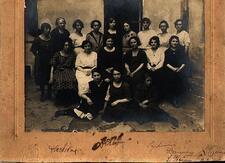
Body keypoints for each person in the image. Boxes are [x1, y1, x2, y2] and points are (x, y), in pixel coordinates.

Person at [49, 39, 79, 106]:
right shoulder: (57, 54)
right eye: (65, 45)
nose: (67, 47)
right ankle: (60, 100)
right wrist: (51, 77)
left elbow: (73, 66)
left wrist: (75, 75)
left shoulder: (72, 55)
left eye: (68, 45)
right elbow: (52, 66)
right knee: (60, 80)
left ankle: (68, 100)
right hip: (59, 71)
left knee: (71, 80)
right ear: (62, 46)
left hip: (69, 70)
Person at [30, 23, 53, 101]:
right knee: (41, 77)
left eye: (49, 28)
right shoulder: (37, 39)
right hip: (41, 61)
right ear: (43, 30)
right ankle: (43, 93)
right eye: (46, 28)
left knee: (49, 76)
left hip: (49, 59)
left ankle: (49, 93)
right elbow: (33, 50)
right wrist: (38, 56)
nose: (48, 30)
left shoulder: (51, 38)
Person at [164, 35, 188, 107]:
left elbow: (184, 61)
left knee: (181, 79)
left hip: (180, 69)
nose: (175, 43)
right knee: (171, 79)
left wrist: (180, 69)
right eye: (173, 41)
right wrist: (173, 69)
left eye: (176, 41)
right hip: (170, 69)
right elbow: (166, 63)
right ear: (170, 42)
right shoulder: (167, 51)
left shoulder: (181, 51)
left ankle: (178, 98)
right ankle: (173, 98)